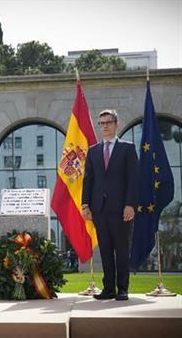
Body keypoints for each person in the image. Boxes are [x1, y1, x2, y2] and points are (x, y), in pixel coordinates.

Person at [82, 109, 138, 301]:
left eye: (108, 122)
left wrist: (130, 204)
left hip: (121, 208)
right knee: (105, 249)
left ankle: (122, 289)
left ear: (116, 124)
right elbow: (88, 180)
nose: (104, 126)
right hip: (99, 209)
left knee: (121, 250)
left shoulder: (127, 149)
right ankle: (108, 289)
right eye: (101, 123)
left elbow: (133, 179)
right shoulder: (93, 151)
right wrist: (85, 205)